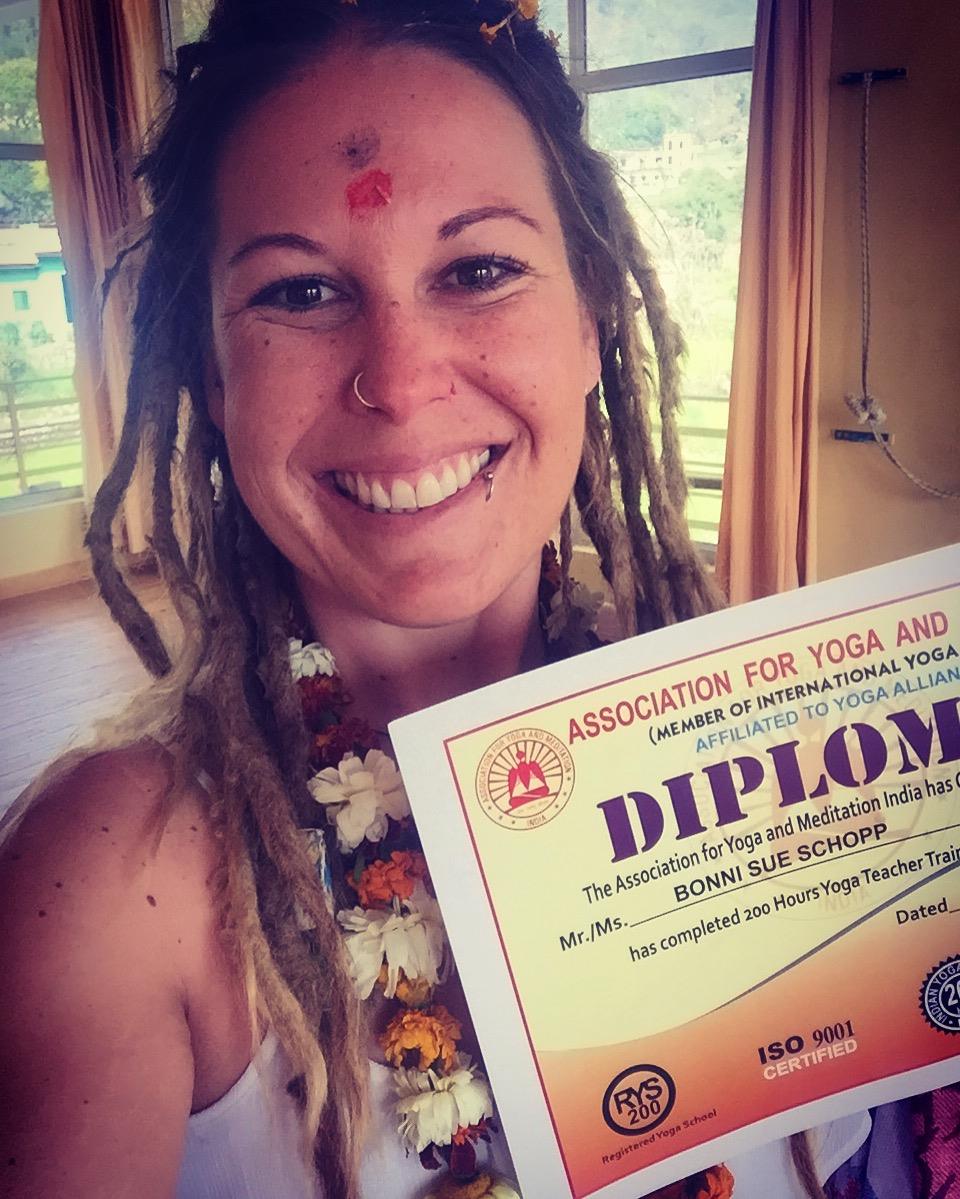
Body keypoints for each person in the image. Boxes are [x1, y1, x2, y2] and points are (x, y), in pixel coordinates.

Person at [0, 2, 951, 1197]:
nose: (400, 382)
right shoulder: (108, 877)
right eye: (300, 291)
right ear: (209, 370)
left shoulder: (786, 749)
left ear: (592, 318)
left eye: (479, 269)